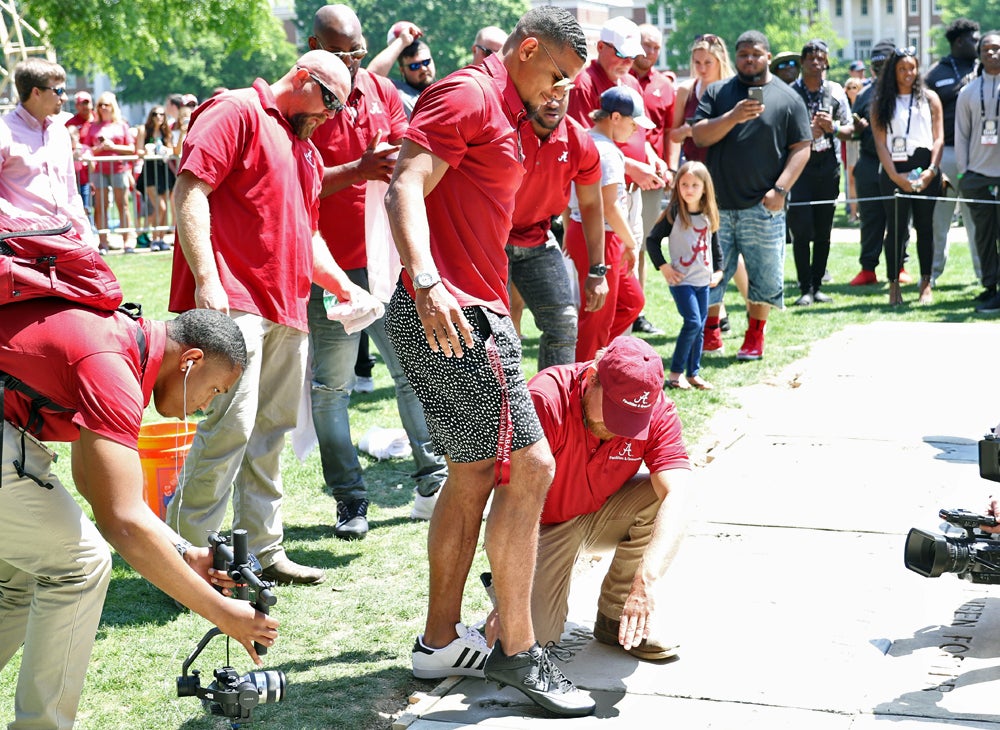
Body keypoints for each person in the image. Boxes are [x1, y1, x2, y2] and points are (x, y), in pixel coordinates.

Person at [383, 6, 596, 717]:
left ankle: (441, 642)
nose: (562, 88)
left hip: (469, 303)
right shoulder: (471, 92)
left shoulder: (510, 109)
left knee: (475, 471)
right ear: (527, 47)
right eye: (557, 73)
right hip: (449, 307)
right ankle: (515, 652)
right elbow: (404, 183)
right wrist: (427, 280)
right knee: (531, 465)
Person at [1, 303, 278, 730]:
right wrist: (222, 612)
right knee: (80, 565)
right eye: (215, 390)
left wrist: (185, 551)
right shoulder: (112, 367)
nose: (205, 406)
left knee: (18, 581)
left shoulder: (119, 341)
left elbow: (95, 486)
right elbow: (121, 522)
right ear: (191, 361)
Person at [166, 51, 376, 586]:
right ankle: (184, 558)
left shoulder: (304, 150)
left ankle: (263, 550)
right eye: (329, 101)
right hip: (234, 300)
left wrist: (344, 285)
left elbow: (307, 236)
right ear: (304, 78)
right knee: (229, 427)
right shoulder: (235, 109)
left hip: (289, 305)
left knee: (271, 432)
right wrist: (208, 280)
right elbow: (191, 190)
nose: (330, 116)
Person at [306, 4, 447, 536]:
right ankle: (350, 499)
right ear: (316, 45)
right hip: (328, 268)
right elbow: (298, 186)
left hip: (385, 263)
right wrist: (358, 169)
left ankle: (431, 479)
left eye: (359, 50)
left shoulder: (381, 91)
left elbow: (410, 156)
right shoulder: (303, 104)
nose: (353, 61)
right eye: (341, 52)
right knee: (332, 389)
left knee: (413, 372)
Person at [527, 336, 692, 659]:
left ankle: (616, 617)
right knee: (533, 643)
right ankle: (509, 595)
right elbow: (514, 502)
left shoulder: (657, 407)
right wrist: (512, 598)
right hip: (540, 525)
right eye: (614, 413)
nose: (620, 429)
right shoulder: (545, 398)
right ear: (591, 378)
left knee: (664, 499)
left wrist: (645, 583)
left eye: (633, 420)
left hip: (599, 511)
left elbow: (680, 492)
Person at [691, 30, 811, 361]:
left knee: (764, 277)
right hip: (717, 207)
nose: (749, 60)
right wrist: (733, 116)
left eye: (756, 54)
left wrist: (781, 190)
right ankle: (711, 333)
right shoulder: (718, 92)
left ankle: (754, 337)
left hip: (764, 206)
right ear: (736, 56)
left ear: (768, 57)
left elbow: (802, 148)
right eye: (743, 54)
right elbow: (699, 136)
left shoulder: (788, 98)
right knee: (709, 273)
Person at [567, 16, 669, 336]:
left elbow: (640, 131)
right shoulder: (584, 84)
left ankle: (613, 351)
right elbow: (587, 146)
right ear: (599, 48)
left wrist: (653, 159)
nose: (627, 62)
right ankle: (596, 359)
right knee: (603, 290)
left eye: (631, 56)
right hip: (602, 202)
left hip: (629, 193)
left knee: (630, 266)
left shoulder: (631, 82)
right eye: (621, 55)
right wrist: (632, 166)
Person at [507, 83, 608, 370]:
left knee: (564, 322)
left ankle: (551, 405)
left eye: (560, 95)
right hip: (492, 238)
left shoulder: (579, 140)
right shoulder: (505, 128)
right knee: (495, 331)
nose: (553, 102)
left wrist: (597, 270)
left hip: (538, 237)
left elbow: (590, 205)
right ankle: (503, 409)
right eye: (545, 94)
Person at [668, 33, 745, 349]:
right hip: (693, 177)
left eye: (707, 62)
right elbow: (672, 134)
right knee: (702, 244)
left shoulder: (729, 90)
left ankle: (751, 301)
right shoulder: (686, 90)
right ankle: (715, 317)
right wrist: (689, 132)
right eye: (697, 62)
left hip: (723, 175)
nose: (701, 67)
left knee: (725, 247)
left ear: (719, 61)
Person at [567, 86, 651, 362]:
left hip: (588, 230)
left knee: (631, 301)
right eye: (633, 123)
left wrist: (570, 228)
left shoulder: (588, 140)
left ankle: (602, 358)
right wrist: (631, 242)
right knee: (596, 317)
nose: (636, 130)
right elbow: (610, 205)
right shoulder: (607, 151)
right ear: (615, 117)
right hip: (602, 235)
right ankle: (585, 375)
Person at [871, 45, 944, 306]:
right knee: (897, 230)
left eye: (911, 67)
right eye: (901, 68)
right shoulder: (881, 102)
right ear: (893, 71)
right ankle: (893, 284)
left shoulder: (930, 98)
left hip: (925, 166)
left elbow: (938, 138)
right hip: (894, 168)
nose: (907, 73)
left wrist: (931, 171)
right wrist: (895, 176)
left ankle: (925, 282)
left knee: (925, 227)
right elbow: (880, 143)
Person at [647, 160, 723, 390]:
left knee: (700, 326)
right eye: (684, 184)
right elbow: (652, 240)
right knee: (692, 322)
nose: (689, 190)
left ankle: (694, 373)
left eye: (695, 185)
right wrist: (663, 266)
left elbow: (716, 246)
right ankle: (675, 374)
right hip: (681, 280)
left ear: (704, 188)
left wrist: (719, 271)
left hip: (703, 280)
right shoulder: (673, 213)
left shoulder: (709, 214)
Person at [788, 39, 853, 306]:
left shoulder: (836, 91)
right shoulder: (790, 92)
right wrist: (805, 134)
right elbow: (779, 131)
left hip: (827, 166)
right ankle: (804, 287)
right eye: (810, 58)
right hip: (799, 167)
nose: (816, 62)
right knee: (801, 229)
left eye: (821, 58)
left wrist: (832, 128)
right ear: (802, 62)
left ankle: (817, 285)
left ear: (826, 62)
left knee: (824, 229)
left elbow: (851, 130)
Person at [0, 59, 93, 245]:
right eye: (58, 90)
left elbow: (70, 194)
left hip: (64, 239)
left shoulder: (60, 132)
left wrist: (87, 240)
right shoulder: (3, 131)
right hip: (20, 245)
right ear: (36, 92)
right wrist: (22, 221)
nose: (64, 97)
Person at [926, 18, 982, 289]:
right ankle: (932, 275)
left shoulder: (986, 68)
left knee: (977, 219)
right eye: (974, 39)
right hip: (946, 156)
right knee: (940, 218)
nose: (979, 43)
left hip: (977, 158)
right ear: (959, 42)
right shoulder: (935, 73)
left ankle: (985, 277)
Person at [630, 23, 676, 336]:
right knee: (624, 245)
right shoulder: (620, 78)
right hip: (622, 172)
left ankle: (637, 312)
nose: (650, 52)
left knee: (641, 245)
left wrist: (670, 166)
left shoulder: (665, 84)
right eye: (645, 45)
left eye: (656, 47)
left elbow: (671, 131)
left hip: (653, 178)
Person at [848, 39, 903, 287]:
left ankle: (899, 265)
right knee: (870, 218)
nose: (881, 68)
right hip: (869, 161)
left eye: (886, 63)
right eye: (876, 64)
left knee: (899, 217)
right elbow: (854, 128)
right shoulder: (864, 94)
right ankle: (868, 268)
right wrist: (857, 128)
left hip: (899, 162)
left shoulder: (905, 91)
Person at [956, 30, 1000, 313]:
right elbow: (961, 134)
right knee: (983, 235)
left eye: (997, 49)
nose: (992, 54)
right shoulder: (968, 92)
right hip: (978, 175)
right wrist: (963, 174)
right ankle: (990, 286)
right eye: (986, 49)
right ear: (980, 54)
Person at [83, 91, 135, 253]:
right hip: (99, 170)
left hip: (119, 169)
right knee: (101, 206)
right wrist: (99, 149)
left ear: (113, 107)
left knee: (123, 205)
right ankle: (103, 242)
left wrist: (113, 147)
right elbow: (86, 149)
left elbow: (132, 148)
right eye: (100, 105)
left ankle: (127, 241)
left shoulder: (121, 125)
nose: (103, 108)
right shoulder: (92, 127)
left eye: (106, 104)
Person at [134, 105, 175, 251]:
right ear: (151, 116)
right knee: (160, 207)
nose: (159, 117)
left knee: (165, 208)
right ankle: (155, 238)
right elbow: (138, 151)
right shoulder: (143, 130)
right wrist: (145, 151)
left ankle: (161, 238)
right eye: (156, 114)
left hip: (163, 171)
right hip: (149, 171)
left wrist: (167, 151)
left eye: (162, 114)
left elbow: (172, 149)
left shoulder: (165, 132)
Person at [66, 90, 94, 225]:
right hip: (78, 173)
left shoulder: (97, 120)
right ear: (76, 105)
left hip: (94, 170)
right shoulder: (70, 124)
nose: (85, 106)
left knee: (96, 205)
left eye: (87, 103)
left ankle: (98, 234)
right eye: (81, 103)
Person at [391, 39, 436, 119]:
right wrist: (402, 41)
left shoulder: (445, 89)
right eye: (415, 66)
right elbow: (371, 77)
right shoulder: (397, 93)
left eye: (426, 62)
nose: (423, 69)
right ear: (402, 70)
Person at [843, 76, 865, 222]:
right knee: (851, 179)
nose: (852, 90)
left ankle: (864, 212)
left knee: (863, 179)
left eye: (855, 87)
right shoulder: (845, 107)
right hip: (850, 144)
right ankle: (852, 213)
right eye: (849, 87)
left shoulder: (864, 103)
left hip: (863, 144)